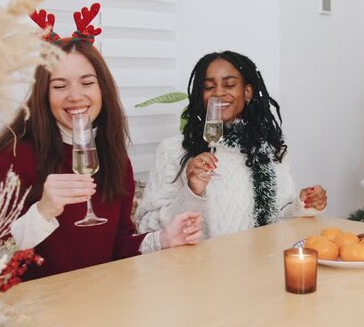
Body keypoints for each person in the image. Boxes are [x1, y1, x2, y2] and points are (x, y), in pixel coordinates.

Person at [0, 4, 201, 280]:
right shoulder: (15, 156)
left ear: (102, 89)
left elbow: (117, 246)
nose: (75, 95)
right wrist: (42, 212)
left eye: (87, 82)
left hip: (99, 302)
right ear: (43, 96)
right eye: (59, 86)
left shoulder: (113, 157)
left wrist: (162, 239)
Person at [136, 51, 327, 239]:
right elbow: (146, 228)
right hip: (197, 267)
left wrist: (303, 204)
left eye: (229, 84)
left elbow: (277, 220)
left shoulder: (270, 150)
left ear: (247, 92)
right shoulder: (174, 151)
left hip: (261, 266)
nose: (218, 93)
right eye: (209, 87)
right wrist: (193, 191)